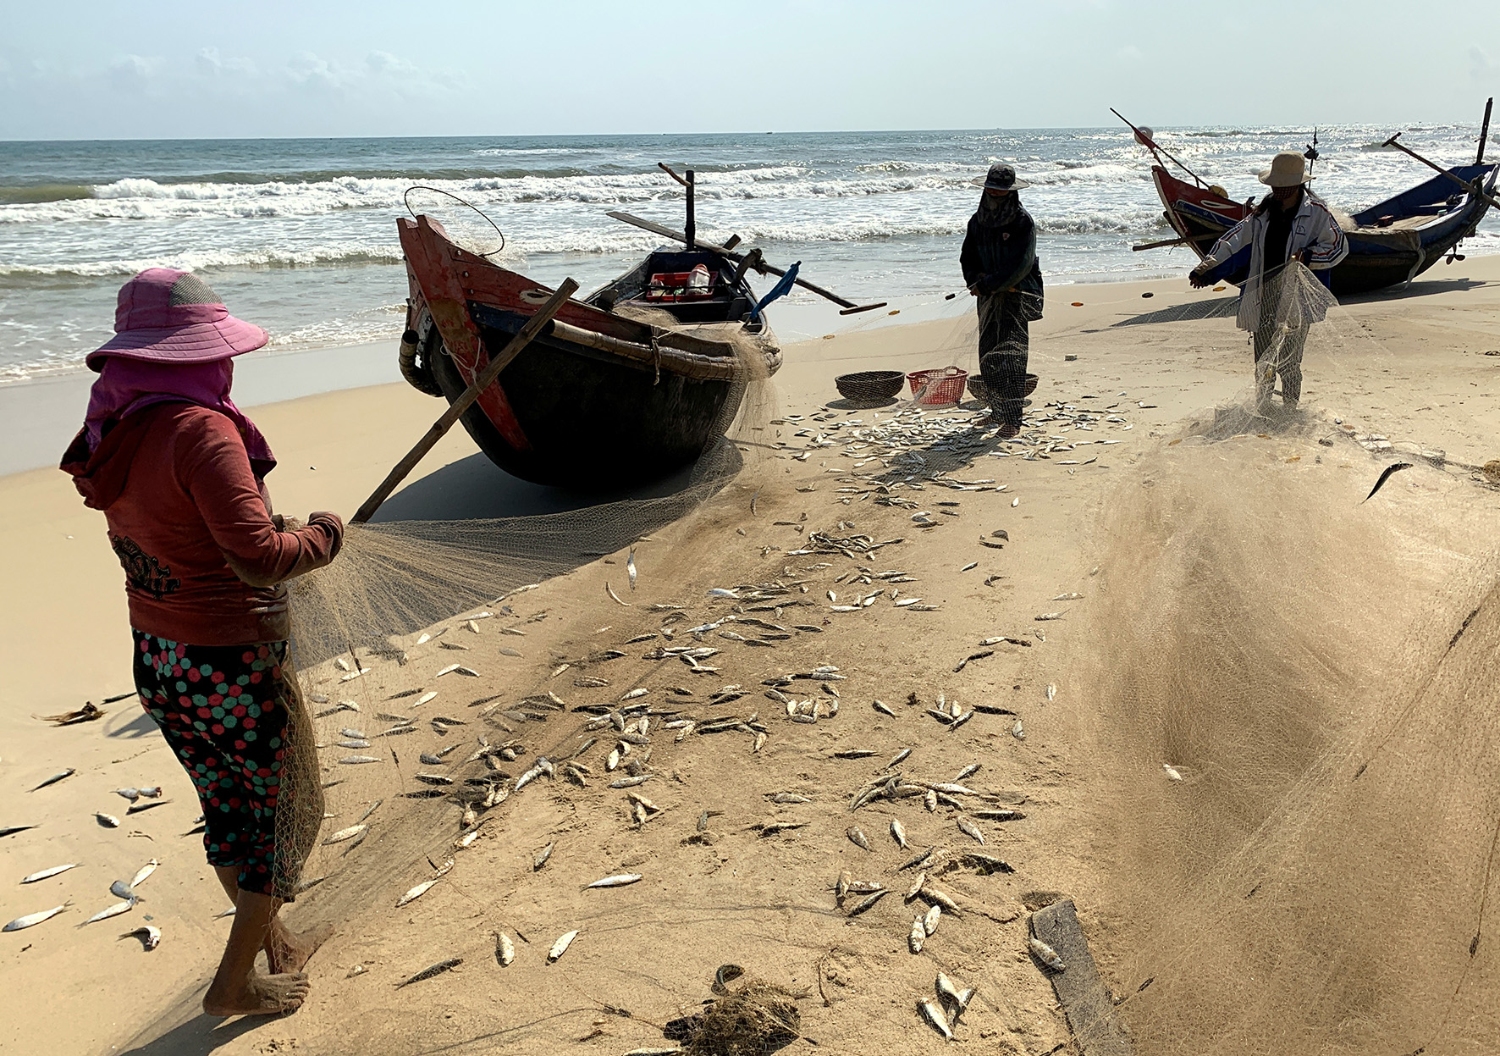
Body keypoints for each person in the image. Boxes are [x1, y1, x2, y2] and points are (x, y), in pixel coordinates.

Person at [60, 269, 344, 1017]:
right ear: (197, 357)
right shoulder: (203, 429)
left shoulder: (113, 432)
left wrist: (270, 534)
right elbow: (257, 558)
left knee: (228, 805)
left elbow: (182, 531)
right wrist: (323, 534)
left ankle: (273, 943)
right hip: (231, 659)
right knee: (290, 812)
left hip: (161, 659)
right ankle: (233, 983)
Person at [1189, 151, 1348, 413]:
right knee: (1263, 359)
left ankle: (1289, 408)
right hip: (1264, 294)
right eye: (1276, 185)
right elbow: (1234, 240)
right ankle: (1263, 407)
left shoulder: (1317, 213)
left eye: (1285, 186)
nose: (1279, 190)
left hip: (1297, 298)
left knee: (1290, 361)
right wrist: (1206, 267)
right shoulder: (1262, 214)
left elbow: (1338, 247)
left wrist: (1308, 255)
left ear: (1298, 185)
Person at [961, 163, 1045, 438]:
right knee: (988, 354)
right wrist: (975, 281)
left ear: (1010, 192)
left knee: (1012, 356)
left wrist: (992, 284)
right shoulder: (977, 221)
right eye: (991, 190)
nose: (995, 195)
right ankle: (996, 411)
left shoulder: (1022, 221)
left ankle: (1012, 420)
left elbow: (1021, 264)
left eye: (1000, 191)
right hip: (986, 296)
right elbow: (967, 256)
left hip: (1015, 296)